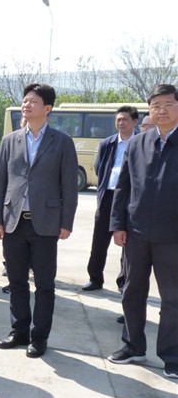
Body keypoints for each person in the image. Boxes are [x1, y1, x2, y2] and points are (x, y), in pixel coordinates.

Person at [0, 83, 78, 358]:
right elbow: (0, 183)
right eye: (25, 100)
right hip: (13, 221)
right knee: (16, 282)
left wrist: (66, 222)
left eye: (33, 101)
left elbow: (69, 187)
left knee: (44, 285)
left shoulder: (62, 142)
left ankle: (39, 337)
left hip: (46, 224)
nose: (26, 105)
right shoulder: (10, 140)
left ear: (48, 108)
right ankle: (19, 331)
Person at [108, 84, 178, 379]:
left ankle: (172, 356)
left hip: (172, 237)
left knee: (173, 299)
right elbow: (122, 187)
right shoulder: (137, 143)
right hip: (135, 233)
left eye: (168, 104)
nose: (161, 111)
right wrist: (117, 224)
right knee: (132, 292)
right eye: (155, 105)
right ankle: (133, 346)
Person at [82, 106, 137, 291]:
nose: (121, 123)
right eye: (118, 119)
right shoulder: (107, 143)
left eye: (125, 119)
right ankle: (95, 278)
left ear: (135, 122)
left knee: (128, 243)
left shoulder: (140, 143)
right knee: (99, 241)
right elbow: (99, 167)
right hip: (108, 195)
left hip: (130, 198)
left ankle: (124, 282)